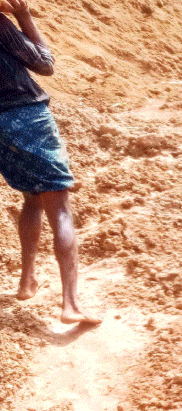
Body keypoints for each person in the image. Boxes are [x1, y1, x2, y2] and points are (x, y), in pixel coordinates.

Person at [1, 0, 100, 325]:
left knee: (32, 197)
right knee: (59, 208)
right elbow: (45, 64)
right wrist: (24, 15)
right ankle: (71, 304)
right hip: (26, 116)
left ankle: (27, 281)